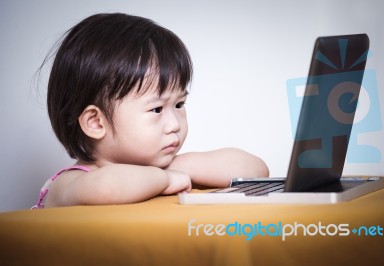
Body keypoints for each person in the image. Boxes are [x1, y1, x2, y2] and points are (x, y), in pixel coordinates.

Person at [33, 13, 269, 209]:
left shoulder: (162, 167)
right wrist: (165, 178)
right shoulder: (69, 184)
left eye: (179, 105)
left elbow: (255, 170)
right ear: (96, 122)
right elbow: (109, 187)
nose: (175, 124)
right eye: (157, 109)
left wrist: (181, 167)